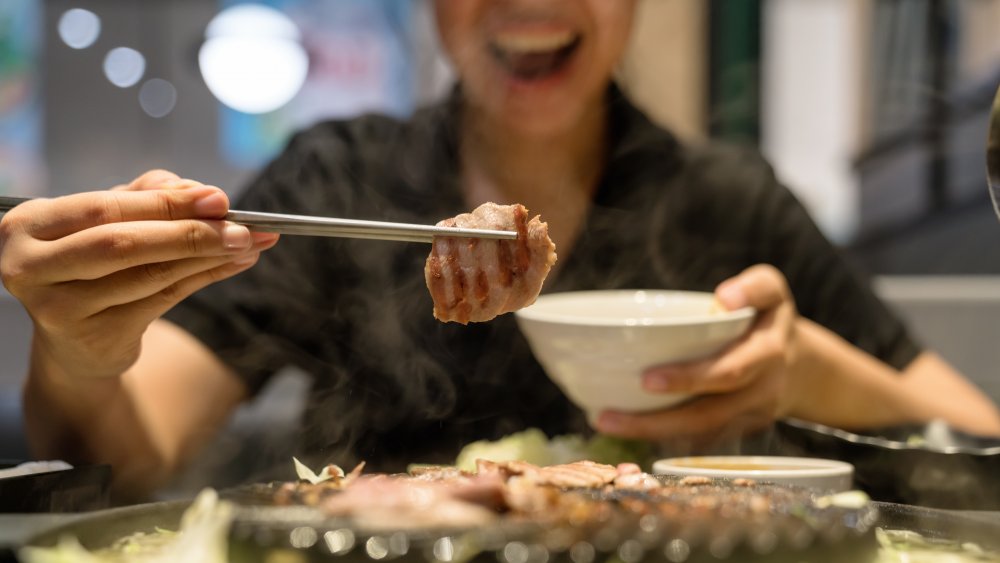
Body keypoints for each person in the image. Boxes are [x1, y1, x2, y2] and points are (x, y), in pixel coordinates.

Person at [3, 0, 999, 499]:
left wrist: (804, 372)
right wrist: (84, 341)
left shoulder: (726, 199)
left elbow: (976, 442)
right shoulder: (336, 178)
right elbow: (127, 451)